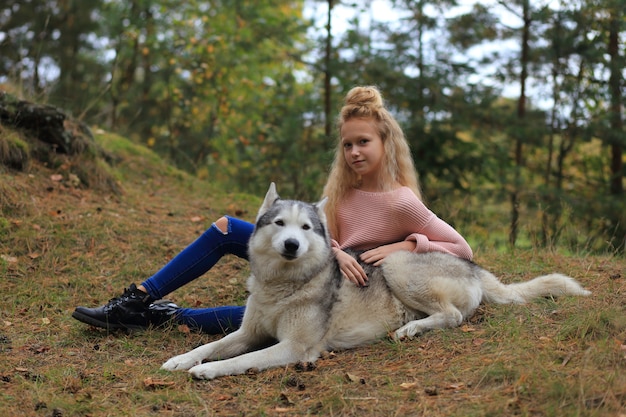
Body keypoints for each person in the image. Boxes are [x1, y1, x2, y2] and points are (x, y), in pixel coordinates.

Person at [72, 85, 472, 333]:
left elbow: (461, 249)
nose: (353, 152)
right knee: (227, 228)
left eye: (364, 142)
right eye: (348, 144)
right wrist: (333, 249)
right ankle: (138, 298)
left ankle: (164, 317)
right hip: (321, 262)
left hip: (349, 289)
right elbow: (322, 239)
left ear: (385, 143)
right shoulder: (342, 189)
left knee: (267, 315)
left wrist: (405, 246)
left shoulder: (401, 199)